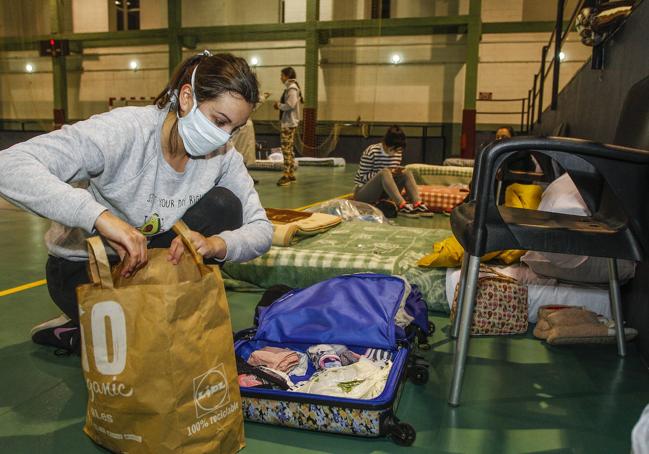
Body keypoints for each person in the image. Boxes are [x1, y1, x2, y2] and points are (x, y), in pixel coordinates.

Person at [0, 51, 273, 354]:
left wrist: (216, 244)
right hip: (84, 269)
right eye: (218, 121)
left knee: (225, 205)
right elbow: (9, 165)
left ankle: (131, 324)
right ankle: (79, 329)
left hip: (153, 258)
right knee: (149, 345)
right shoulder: (125, 131)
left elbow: (261, 229)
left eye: (233, 128)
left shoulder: (223, 156)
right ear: (186, 98)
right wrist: (100, 217)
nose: (223, 138)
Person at [353, 125, 432, 217]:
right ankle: (401, 204)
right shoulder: (371, 151)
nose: (395, 153)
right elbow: (362, 177)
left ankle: (417, 203)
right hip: (363, 192)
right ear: (386, 144)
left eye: (398, 150)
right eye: (393, 149)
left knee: (406, 172)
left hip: (384, 192)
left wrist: (396, 173)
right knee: (385, 172)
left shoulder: (398, 153)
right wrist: (384, 173)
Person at [273, 67, 302, 187]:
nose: (280, 78)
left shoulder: (292, 89)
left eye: (282, 75)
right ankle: (290, 174)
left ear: (287, 76)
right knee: (289, 149)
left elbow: (290, 105)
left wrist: (278, 105)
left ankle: (286, 175)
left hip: (289, 123)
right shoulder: (291, 88)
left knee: (286, 149)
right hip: (290, 122)